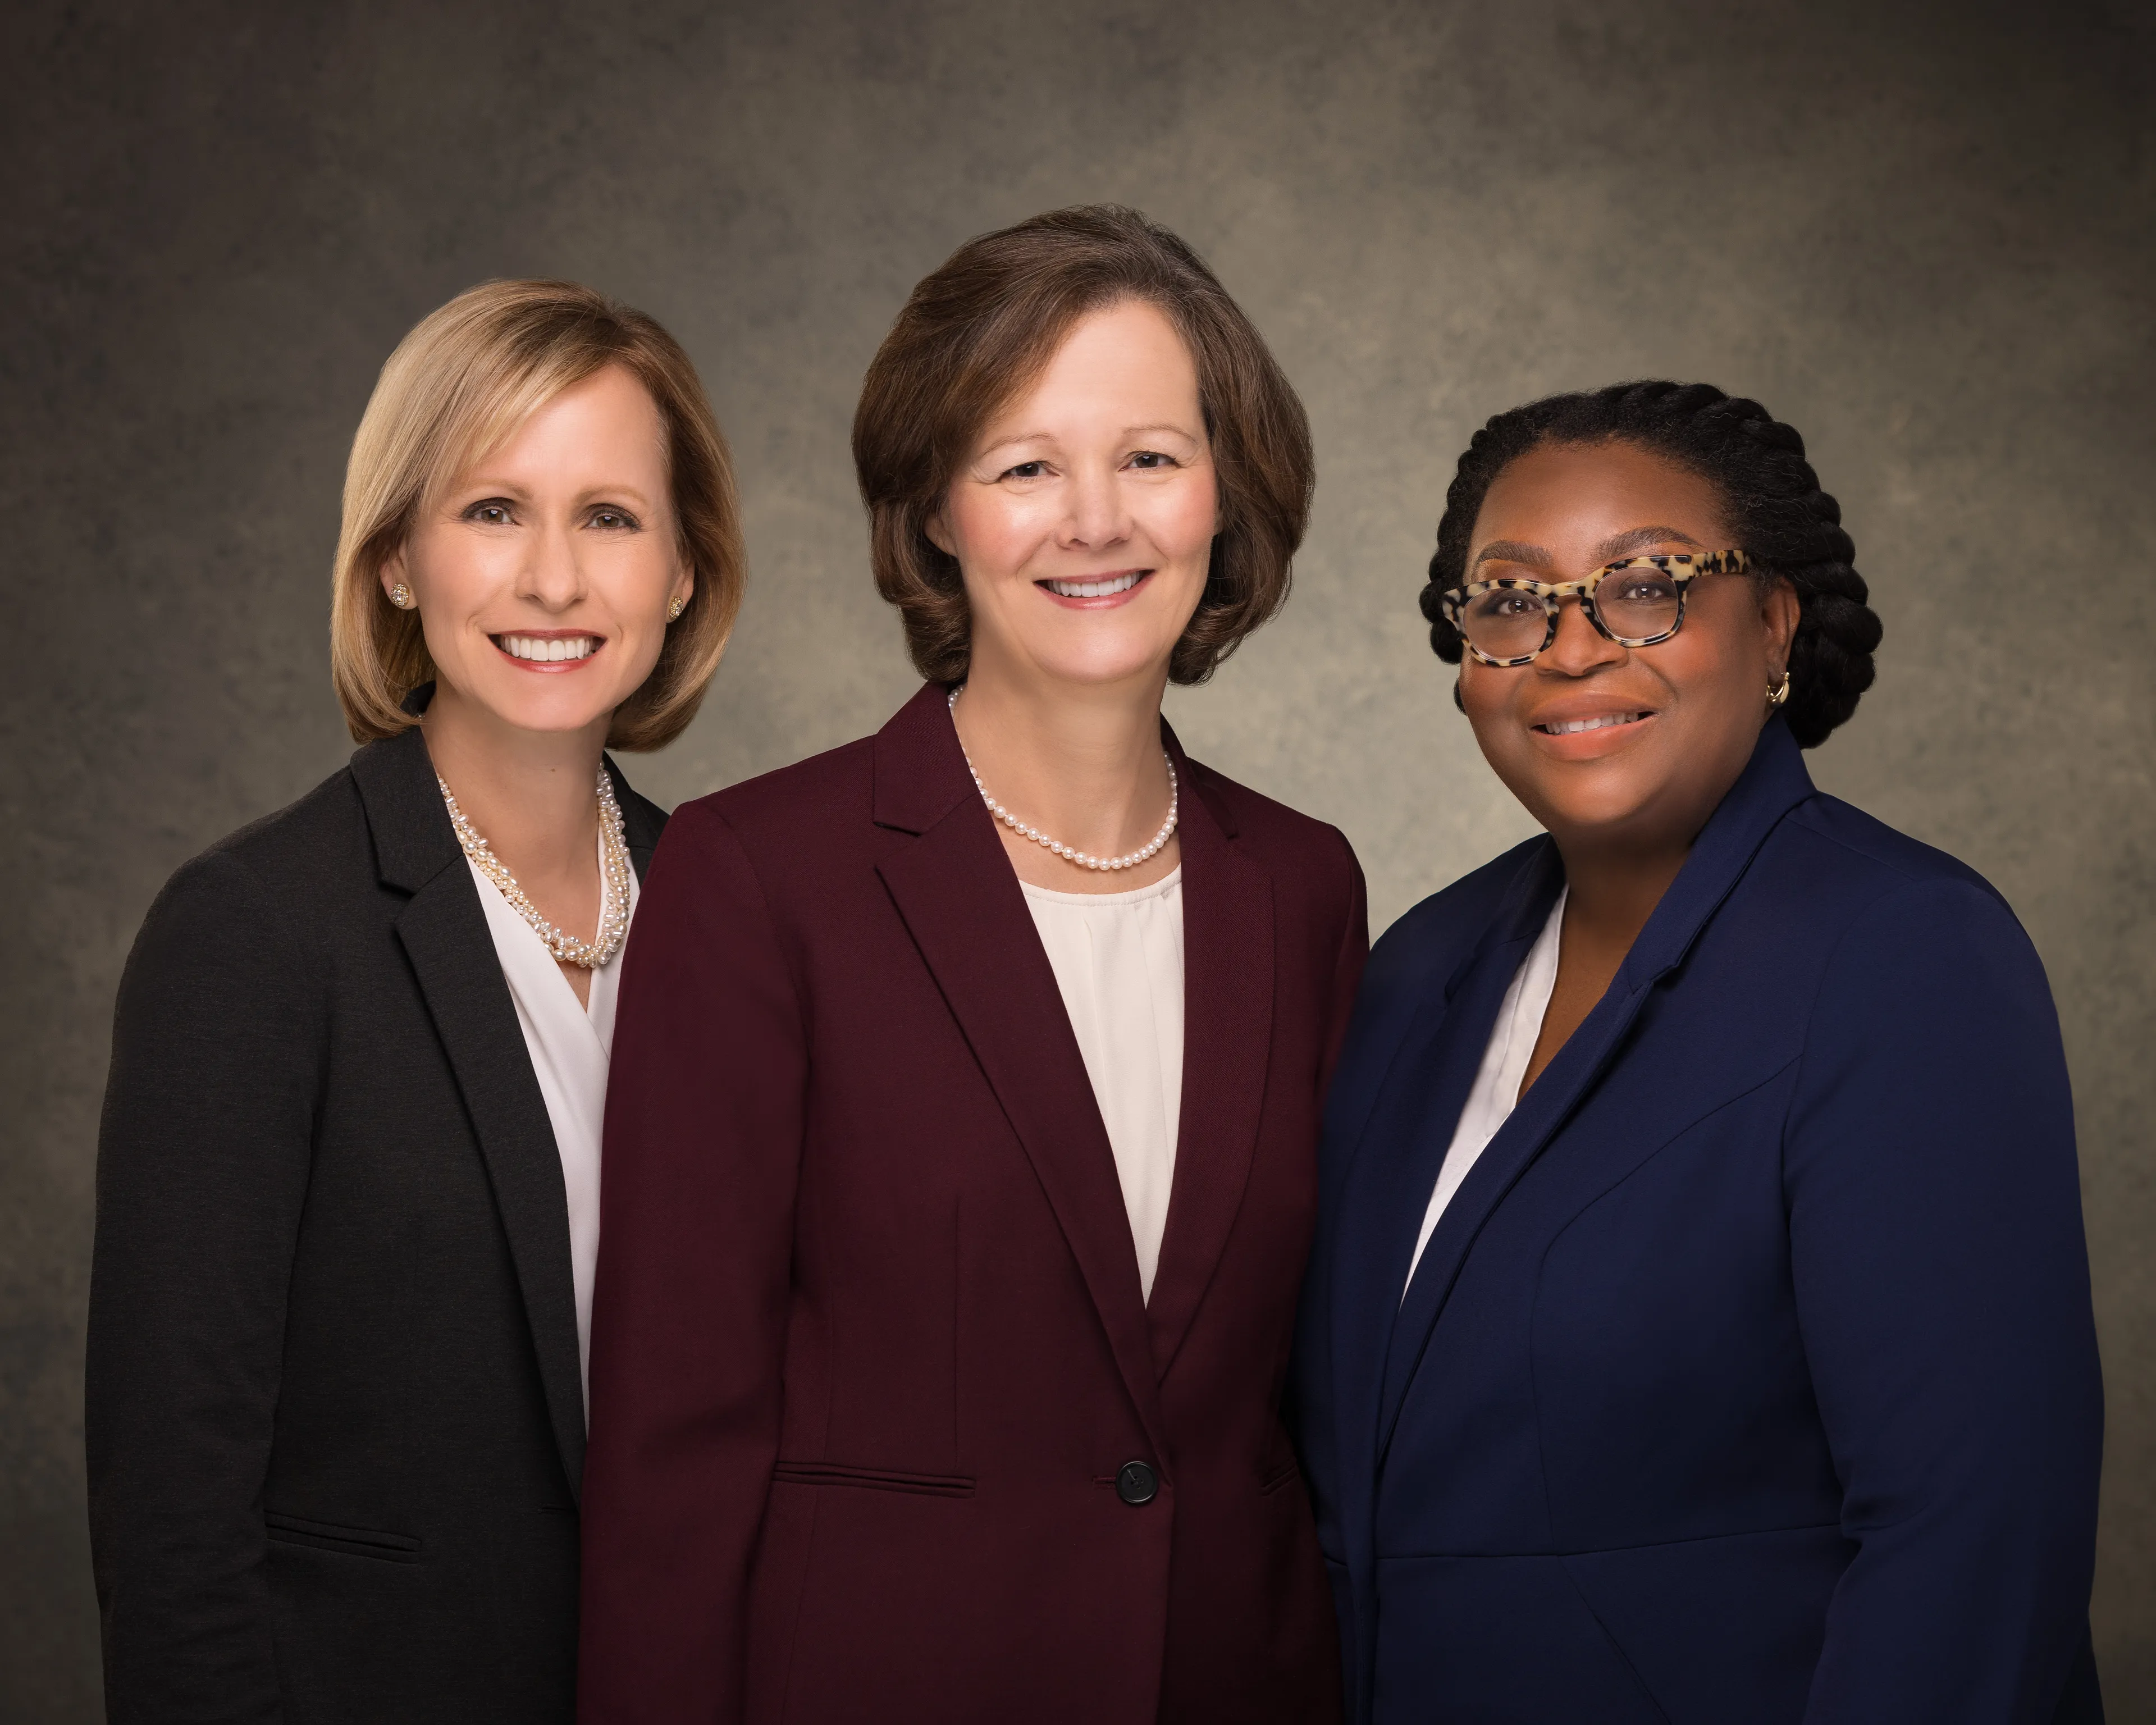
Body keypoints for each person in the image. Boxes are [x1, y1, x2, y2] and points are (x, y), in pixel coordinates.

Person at [576, 206, 1365, 1724]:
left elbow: (1305, 1412)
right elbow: (674, 1450)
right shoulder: (758, 881)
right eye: (1025, 466)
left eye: (1149, 456)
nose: (1095, 520)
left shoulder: (1305, 889)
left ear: (1226, 493)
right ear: (938, 510)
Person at [1294, 381, 2105, 1724]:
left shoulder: (1900, 952)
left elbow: (1973, 1546)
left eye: (1647, 584)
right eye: (1510, 598)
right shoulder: (1420, 972)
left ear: (1775, 622)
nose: (1570, 646)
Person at [86, 279, 746, 1723]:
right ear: (395, 558)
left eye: (612, 518)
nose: (555, 581)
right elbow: (174, 1515)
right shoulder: (254, 934)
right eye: (494, 510)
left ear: (686, 569)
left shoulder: (749, 919)